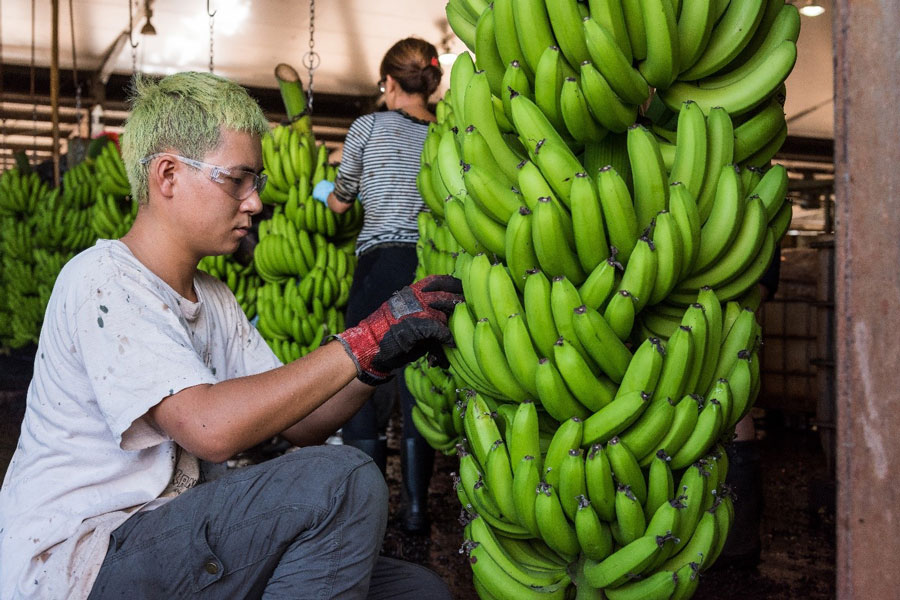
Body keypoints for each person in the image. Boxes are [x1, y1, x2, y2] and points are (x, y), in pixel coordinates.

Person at [0, 71, 461, 600]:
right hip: (83, 558)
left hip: (173, 540)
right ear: (168, 175)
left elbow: (305, 424)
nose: (255, 203)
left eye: (257, 183)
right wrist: (358, 340)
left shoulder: (212, 295)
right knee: (345, 478)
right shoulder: (103, 280)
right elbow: (208, 428)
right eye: (236, 179)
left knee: (417, 591)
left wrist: (380, 357)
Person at [311, 37, 442, 535]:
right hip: (430, 261)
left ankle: (368, 514)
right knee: (418, 385)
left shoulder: (368, 125)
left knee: (362, 374)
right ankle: (416, 509)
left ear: (389, 81)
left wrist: (325, 192)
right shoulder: (448, 133)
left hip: (379, 262)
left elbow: (343, 200)